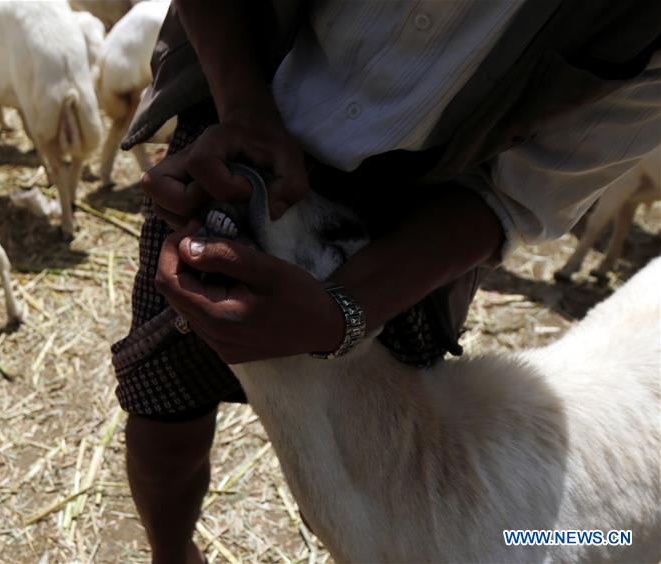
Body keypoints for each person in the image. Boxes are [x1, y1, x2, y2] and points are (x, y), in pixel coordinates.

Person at [110, 1, 661, 562]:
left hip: (423, 214)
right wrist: (243, 105)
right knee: (162, 400)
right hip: (244, 96)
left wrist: (345, 312)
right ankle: (172, 554)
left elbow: (518, 194)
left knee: (375, 453)